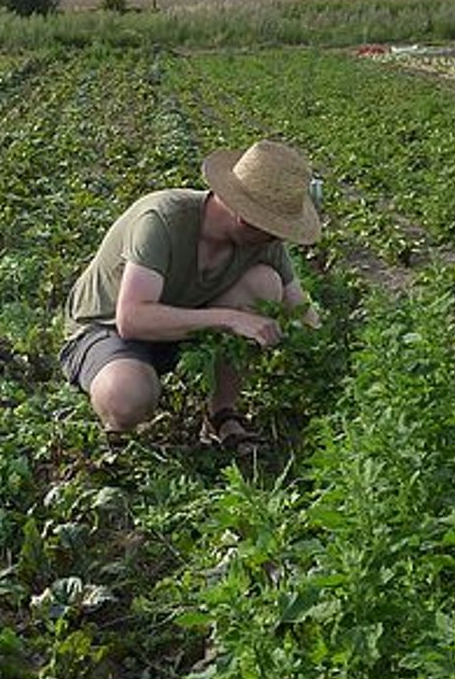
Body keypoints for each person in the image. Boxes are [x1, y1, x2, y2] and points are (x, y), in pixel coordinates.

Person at [61, 140, 321, 450]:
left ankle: (221, 414)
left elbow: (303, 313)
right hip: (108, 328)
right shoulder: (163, 219)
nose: (278, 239)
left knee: (264, 282)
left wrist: (328, 353)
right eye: (274, 229)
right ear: (247, 219)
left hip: (182, 328)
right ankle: (121, 440)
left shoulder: (263, 243)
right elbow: (131, 319)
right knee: (127, 396)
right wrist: (230, 319)